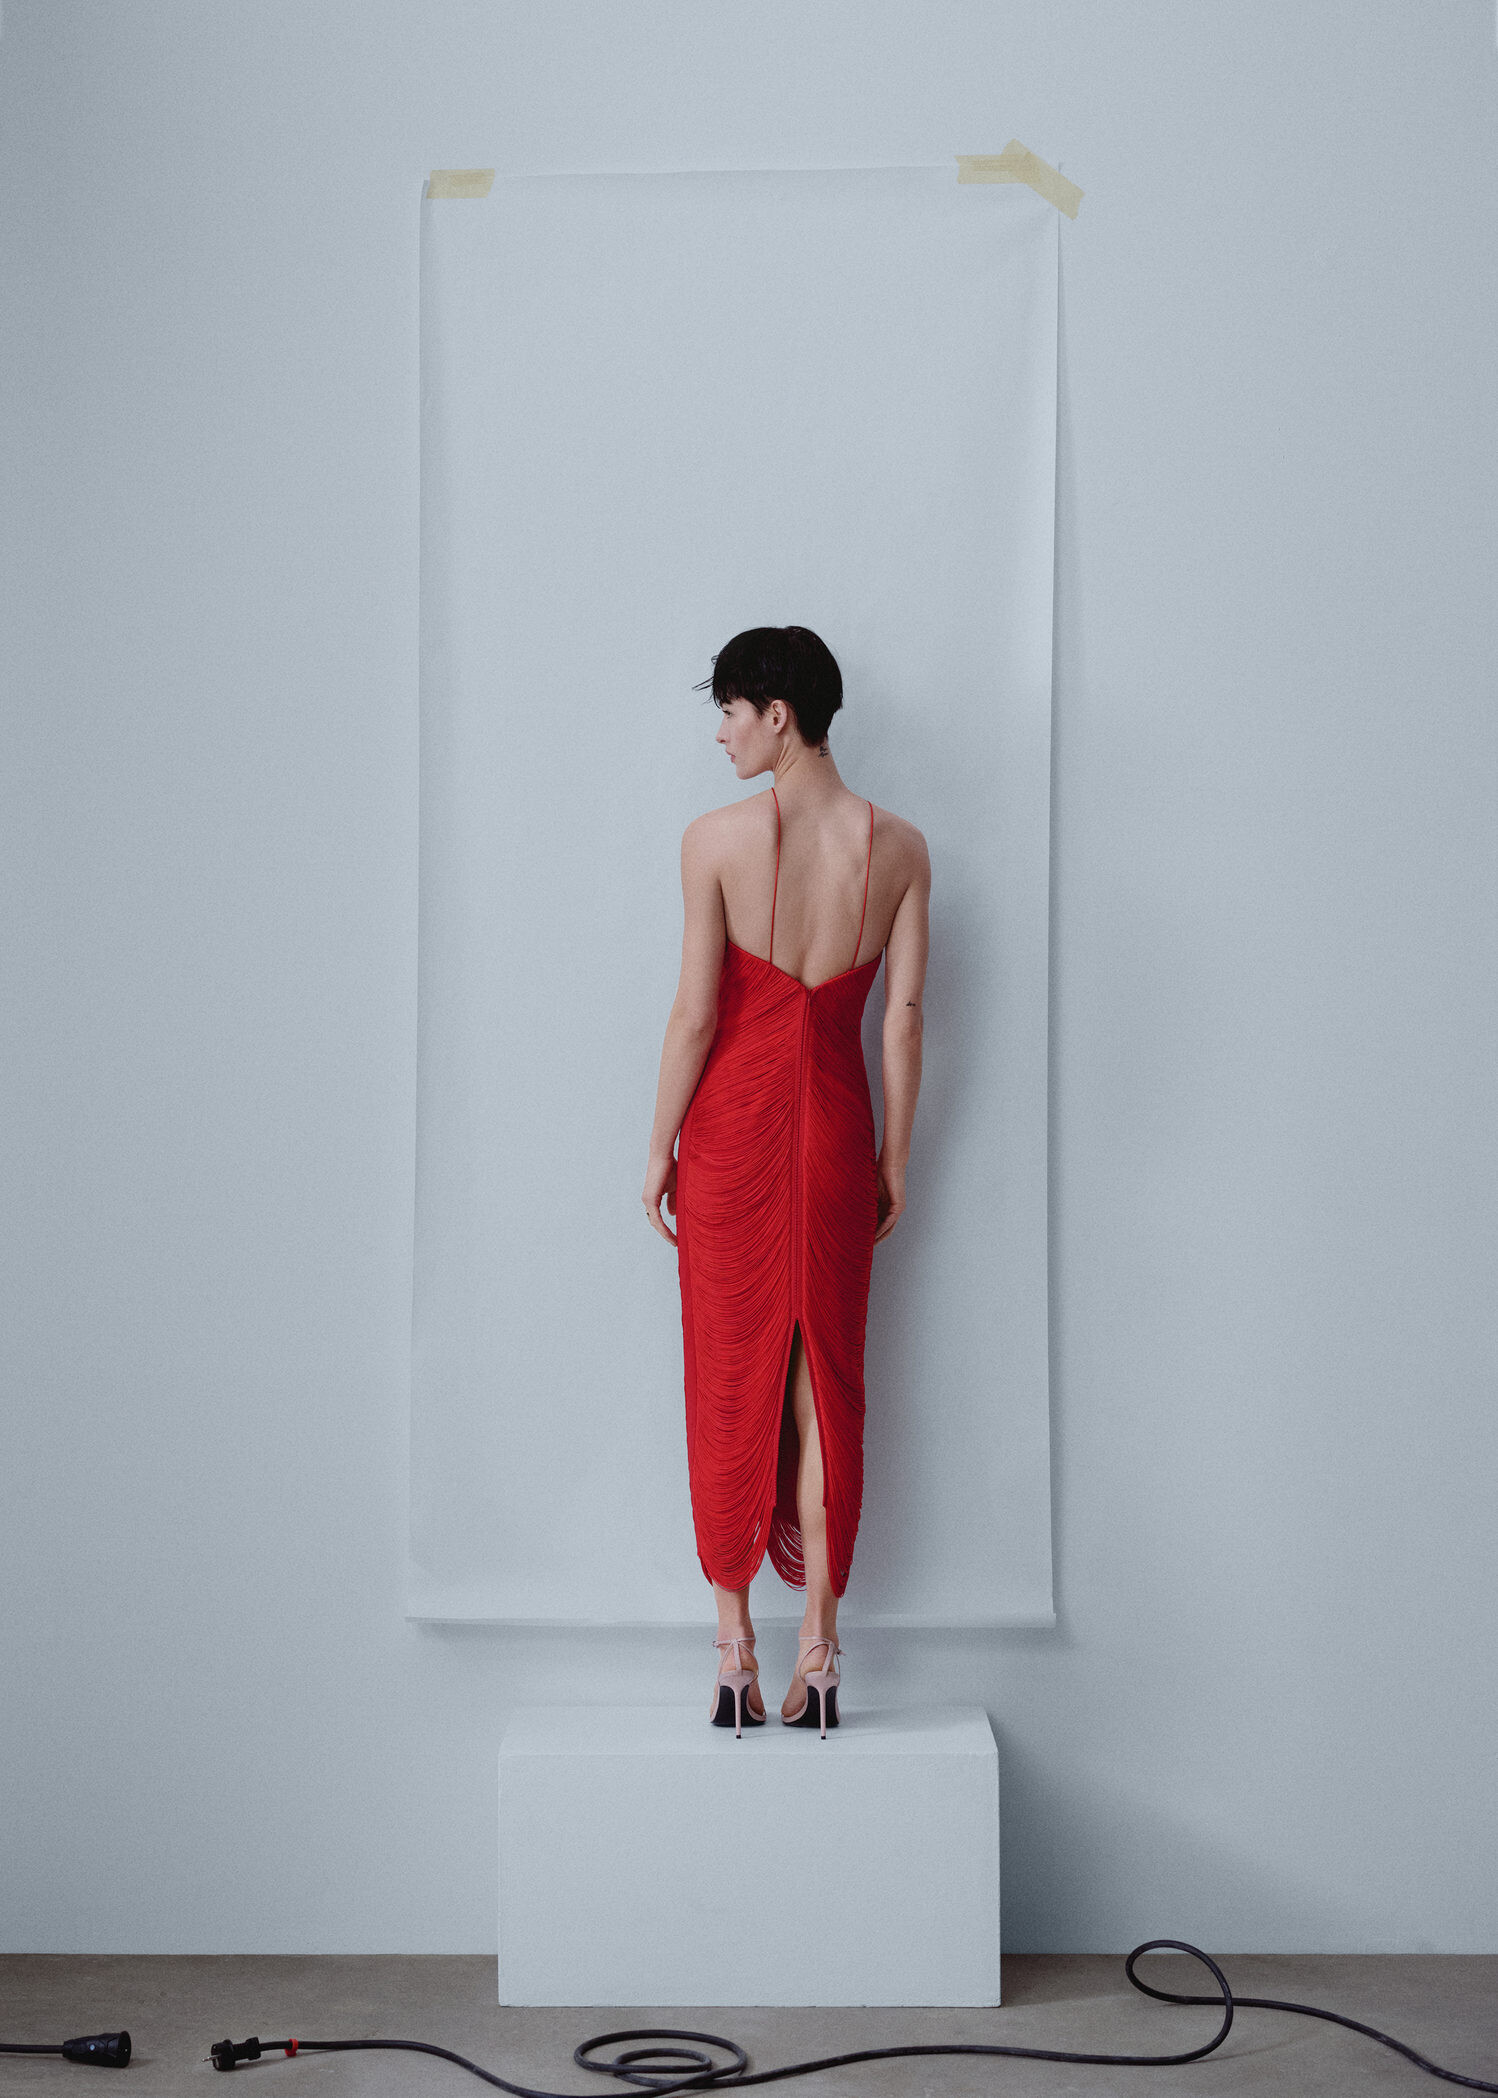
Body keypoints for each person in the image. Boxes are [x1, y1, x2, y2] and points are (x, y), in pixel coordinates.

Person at [642, 626, 929, 1736]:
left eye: (729, 710)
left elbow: (695, 1016)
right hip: (838, 1135)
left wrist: (658, 1148)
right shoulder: (900, 850)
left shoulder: (713, 842)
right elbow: (902, 1022)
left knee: (728, 1375)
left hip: (733, 1138)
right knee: (823, 1390)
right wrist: (892, 1161)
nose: (720, 734)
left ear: (778, 713)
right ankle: (822, 1652)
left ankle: (732, 1655)